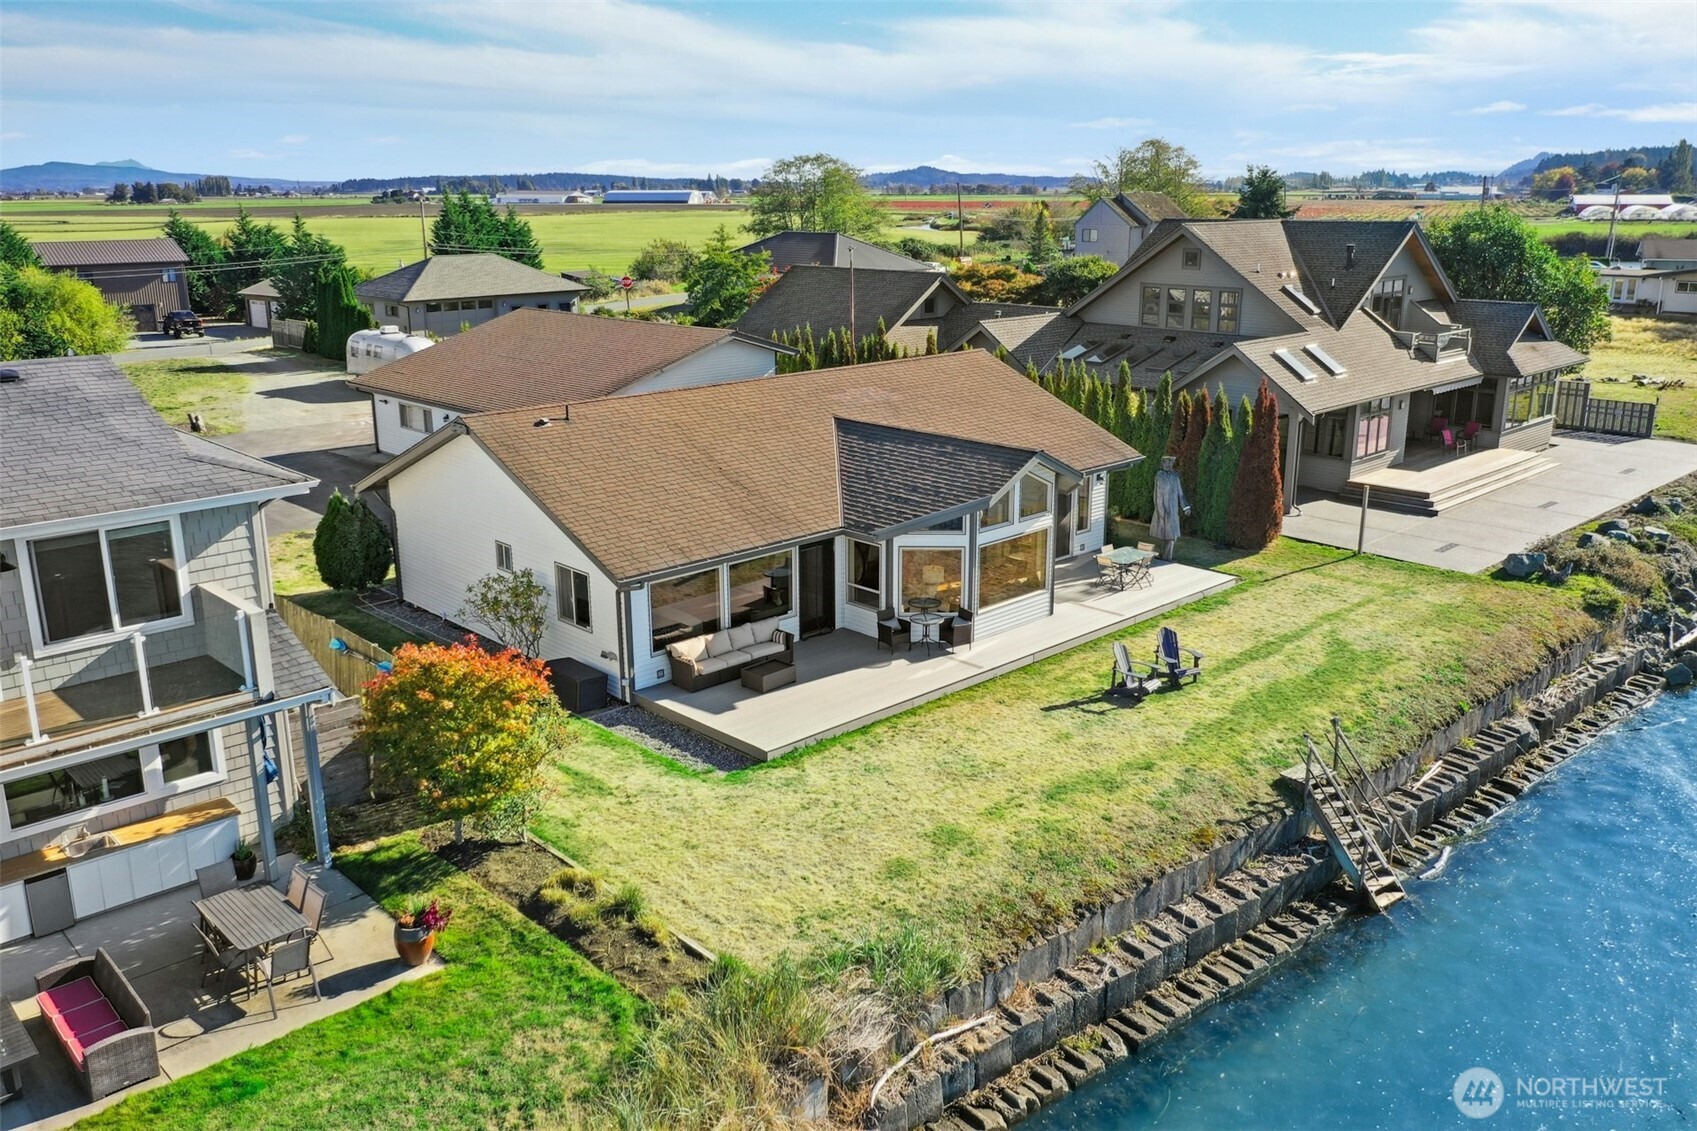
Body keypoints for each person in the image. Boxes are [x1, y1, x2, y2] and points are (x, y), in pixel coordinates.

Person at [1150, 454, 1191, 560]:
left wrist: (1185, 507)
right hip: (1163, 511)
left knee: (1171, 536)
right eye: (1167, 463)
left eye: (1171, 463)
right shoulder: (1159, 476)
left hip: (1173, 512)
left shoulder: (1175, 477)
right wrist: (1160, 511)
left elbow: (1180, 493)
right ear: (1163, 464)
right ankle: (1166, 558)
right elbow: (1157, 495)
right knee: (1167, 536)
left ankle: (1165, 556)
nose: (1169, 465)